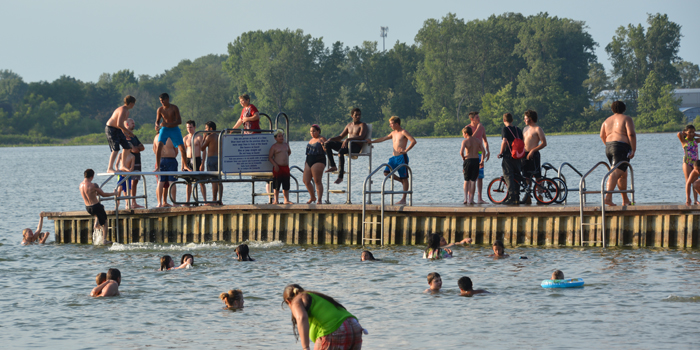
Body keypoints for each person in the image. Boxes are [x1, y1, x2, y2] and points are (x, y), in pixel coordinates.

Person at [282, 284, 364, 350]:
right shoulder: (316, 296)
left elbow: (301, 318)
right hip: (355, 326)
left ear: (288, 301)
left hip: (334, 331)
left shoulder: (296, 300)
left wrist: (305, 347)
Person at [368, 116, 416, 204]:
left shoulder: (403, 132)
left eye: (391, 123)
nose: (390, 125)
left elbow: (413, 141)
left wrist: (406, 150)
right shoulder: (393, 133)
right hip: (394, 158)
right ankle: (400, 181)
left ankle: (403, 199)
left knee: (404, 178)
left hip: (402, 157)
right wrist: (371, 142)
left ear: (396, 124)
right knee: (386, 173)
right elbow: (383, 138)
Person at [600, 101, 636, 206]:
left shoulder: (606, 121)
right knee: (615, 172)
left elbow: (602, 135)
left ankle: (625, 199)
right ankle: (608, 197)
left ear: (612, 109)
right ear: (624, 109)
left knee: (623, 174)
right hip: (621, 147)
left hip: (609, 147)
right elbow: (631, 134)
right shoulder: (626, 118)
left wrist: (608, 146)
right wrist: (633, 149)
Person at [324, 108, 369, 184]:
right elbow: (341, 137)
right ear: (352, 116)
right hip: (348, 144)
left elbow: (361, 137)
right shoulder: (349, 125)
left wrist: (348, 139)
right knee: (327, 144)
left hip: (355, 147)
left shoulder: (362, 125)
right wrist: (331, 139)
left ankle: (340, 177)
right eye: (356, 115)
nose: (358, 116)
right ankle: (333, 166)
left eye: (359, 115)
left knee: (341, 151)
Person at [154, 93, 191, 173]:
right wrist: (156, 125)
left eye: (163, 100)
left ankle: (185, 165)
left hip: (174, 129)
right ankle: (158, 167)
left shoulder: (174, 108)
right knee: (159, 146)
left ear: (167, 99)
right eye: (161, 101)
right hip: (165, 129)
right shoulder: (160, 109)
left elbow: (179, 121)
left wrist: (167, 124)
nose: (162, 102)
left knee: (182, 148)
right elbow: (157, 121)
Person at [80, 169, 116, 245]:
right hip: (95, 206)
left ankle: (96, 224)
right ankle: (104, 240)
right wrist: (114, 193)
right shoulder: (93, 185)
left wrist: (95, 194)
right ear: (92, 176)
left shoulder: (81, 185)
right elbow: (103, 194)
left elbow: (89, 194)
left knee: (101, 208)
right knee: (105, 222)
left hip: (88, 207)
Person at [521, 110, 547, 204]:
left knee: (537, 176)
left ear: (530, 118)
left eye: (526, 118)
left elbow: (544, 143)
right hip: (524, 154)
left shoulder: (538, 129)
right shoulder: (525, 129)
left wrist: (533, 150)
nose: (524, 119)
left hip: (534, 155)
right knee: (526, 176)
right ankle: (528, 195)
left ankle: (540, 195)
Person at [499, 113, 525, 205]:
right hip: (518, 156)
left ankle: (511, 197)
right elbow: (522, 141)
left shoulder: (505, 129)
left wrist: (501, 152)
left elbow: (504, 141)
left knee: (508, 176)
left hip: (508, 156)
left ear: (504, 120)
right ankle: (517, 197)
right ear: (512, 120)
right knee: (517, 176)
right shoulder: (518, 129)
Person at [105, 96, 135, 173]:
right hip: (111, 128)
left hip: (118, 129)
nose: (134, 105)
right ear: (131, 103)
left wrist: (125, 133)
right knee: (116, 149)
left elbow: (121, 125)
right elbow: (119, 124)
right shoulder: (122, 110)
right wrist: (129, 131)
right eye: (134, 103)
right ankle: (110, 168)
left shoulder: (127, 111)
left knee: (127, 147)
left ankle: (123, 165)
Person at [467, 112, 490, 204]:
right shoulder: (467, 128)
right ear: (472, 119)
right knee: (470, 177)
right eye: (477, 117)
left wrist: (488, 151)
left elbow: (485, 140)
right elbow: (470, 139)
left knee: (480, 177)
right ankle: (470, 198)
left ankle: (479, 198)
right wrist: (478, 128)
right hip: (471, 155)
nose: (479, 119)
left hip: (480, 154)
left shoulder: (482, 128)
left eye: (479, 117)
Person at [460, 125, 485, 205]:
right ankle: (471, 199)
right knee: (473, 181)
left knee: (466, 180)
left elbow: (461, 152)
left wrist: (463, 157)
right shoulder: (477, 141)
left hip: (468, 160)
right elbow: (483, 151)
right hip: (476, 160)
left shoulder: (465, 141)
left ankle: (465, 198)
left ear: (466, 133)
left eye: (463, 134)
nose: (463, 135)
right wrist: (481, 161)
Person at [184, 120, 206, 205]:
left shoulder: (199, 137)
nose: (189, 129)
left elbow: (204, 151)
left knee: (201, 182)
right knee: (188, 182)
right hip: (188, 160)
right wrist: (184, 165)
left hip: (197, 159)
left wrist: (202, 163)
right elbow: (183, 153)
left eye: (191, 127)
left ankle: (204, 201)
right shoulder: (185, 138)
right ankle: (187, 201)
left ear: (194, 127)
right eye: (187, 127)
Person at [304, 124, 327, 204]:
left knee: (317, 181)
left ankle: (319, 199)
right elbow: (307, 153)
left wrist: (323, 144)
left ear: (318, 131)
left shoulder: (322, 138)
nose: (312, 133)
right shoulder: (310, 140)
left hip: (318, 160)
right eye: (311, 131)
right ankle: (313, 197)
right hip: (309, 160)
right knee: (306, 181)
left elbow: (327, 150)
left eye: (314, 131)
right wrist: (305, 163)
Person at [153, 134, 178, 207]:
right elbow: (176, 151)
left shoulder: (156, 137)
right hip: (170, 159)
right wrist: (171, 156)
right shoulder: (172, 136)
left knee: (161, 181)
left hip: (160, 160)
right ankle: (174, 203)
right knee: (172, 181)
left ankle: (159, 203)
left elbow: (155, 150)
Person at [201, 121, 222, 205]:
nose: (205, 130)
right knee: (219, 180)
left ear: (211, 129)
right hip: (219, 159)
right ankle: (219, 200)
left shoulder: (209, 137)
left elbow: (202, 148)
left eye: (206, 128)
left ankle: (214, 200)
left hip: (211, 159)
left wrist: (204, 137)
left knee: (214, 181)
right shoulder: (219, 136)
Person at [126, 118, 145, 209]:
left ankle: (134, 201)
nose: (134, 124)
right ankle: (129, 202)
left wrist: (137, 147)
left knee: (136, 181)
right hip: (130, 162)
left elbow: (142, 147)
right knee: (130, 182)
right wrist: (137, 147)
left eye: (134, 123)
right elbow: (135, 150)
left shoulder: (134, 136)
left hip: (138, 161)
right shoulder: (125, 136)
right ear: (126, 125)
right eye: (132, 123)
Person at [269, 129, 292, 204]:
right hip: (278, 167)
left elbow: (289, 152)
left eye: (282, 136)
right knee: (277, 184)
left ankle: (286, 200)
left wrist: (284, 159)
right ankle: (276, 200)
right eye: (279, 136)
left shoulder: (286, 145)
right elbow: (270, 157)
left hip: (285, 167)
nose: (281, 137)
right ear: (275, 138)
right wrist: (275, 164)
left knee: (286, 184)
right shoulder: (274, 147)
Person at [678, 125, 700, 204]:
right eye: (689, 132)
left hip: (695, 164)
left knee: (695, 181)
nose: (691, 133)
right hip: (687, 162)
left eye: (693, 132)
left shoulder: (695, 140)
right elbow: (678, 134)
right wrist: (683, 133)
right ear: (686, 132)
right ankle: (688, 199)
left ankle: (695, 200)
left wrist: (696, 134)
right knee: (688, 181)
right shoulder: (684, 141)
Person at [116, 142, 135, 209]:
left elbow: (132, 167)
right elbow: (116, 164)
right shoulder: (120, 155)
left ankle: (127, 203)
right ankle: (117, 202)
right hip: (121, 173)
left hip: (127, 174)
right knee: (119, 188)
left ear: (130, 149)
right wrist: (117, 170)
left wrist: (129, 171)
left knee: (127, 190)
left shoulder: (132, 156)